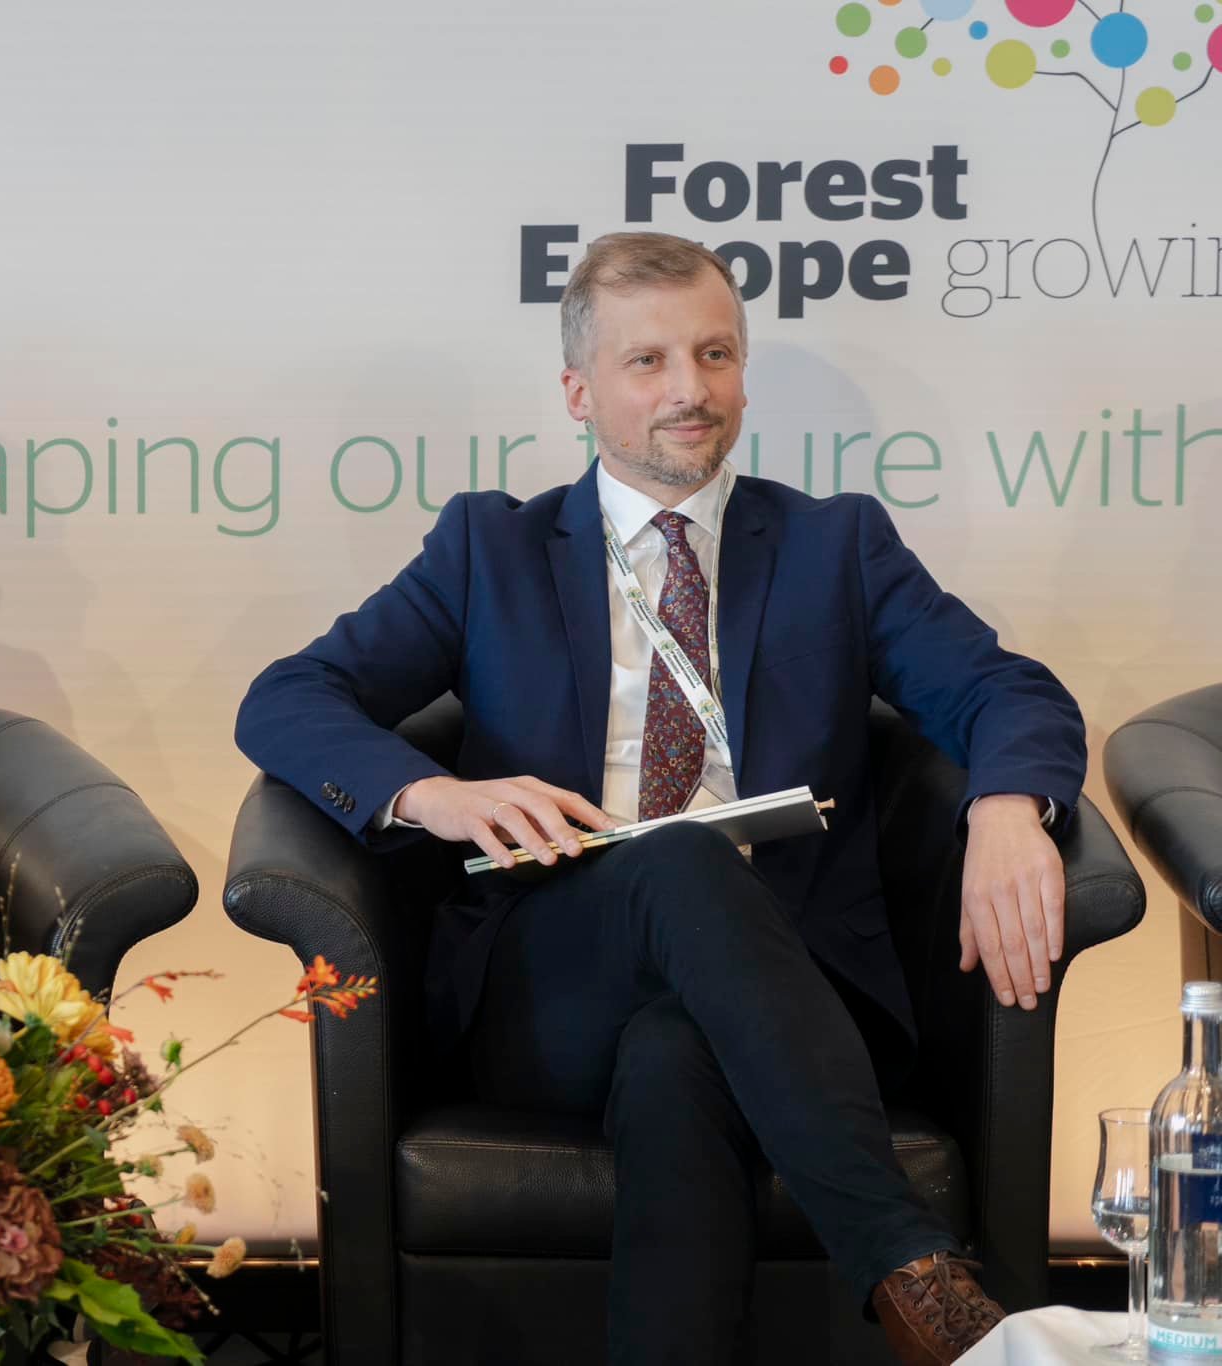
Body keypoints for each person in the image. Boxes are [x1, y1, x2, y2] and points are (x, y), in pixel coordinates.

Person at [234, 232, 1083, 1365]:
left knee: (676, 1058)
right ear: (578, 392)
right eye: (648, 362)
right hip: (550, 983)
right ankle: (909, 1268)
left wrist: (1006, 809)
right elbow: (288, 697)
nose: (690, 389)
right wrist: (430, 794)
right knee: (677, 855)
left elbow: (1005, 690)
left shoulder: (833, 546)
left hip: (788, 980)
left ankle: (905, 1298)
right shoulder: (491, 548)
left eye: (714, 354)